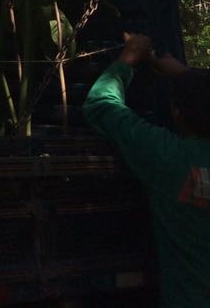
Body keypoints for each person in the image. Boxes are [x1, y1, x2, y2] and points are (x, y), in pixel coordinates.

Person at [83, 32, 210, 307]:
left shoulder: (168, 158)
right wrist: (186, 76)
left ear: (176, 113)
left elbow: (101, 104)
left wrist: (129, 57)